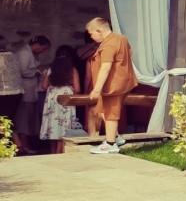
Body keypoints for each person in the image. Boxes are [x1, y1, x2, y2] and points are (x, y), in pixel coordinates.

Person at [85, 17, 138, 155]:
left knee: (110, 114)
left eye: (92, 34)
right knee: (102, 110)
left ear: (99, 30)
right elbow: (130, 53)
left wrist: (97, 89)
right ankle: (115, 137)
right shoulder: (121, 39)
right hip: (124, 81)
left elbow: (105, 68)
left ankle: (110, 144)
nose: (91, 37)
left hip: (113, 85)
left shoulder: (108, 45)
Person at [12, 34, 51, 153]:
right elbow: (24, 71)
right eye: (43, 49)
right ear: (37, 45)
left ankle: (26, 145)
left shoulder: (31, 54)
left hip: (31, 91)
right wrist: (38, 71)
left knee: (29, 120)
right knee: (24, 120)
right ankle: (24, 146)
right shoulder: (24, 52)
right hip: (25, 90)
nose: (43, 52)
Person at [40, 52, 83, 154]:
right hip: (66, 96)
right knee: (63, 125)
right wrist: (70, 87)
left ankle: (53, 151)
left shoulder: (51, 69)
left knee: (52, 125)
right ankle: (60, 151)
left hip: (52, 97)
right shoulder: (72, 70)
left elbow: (43, 86)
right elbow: (77, 88)